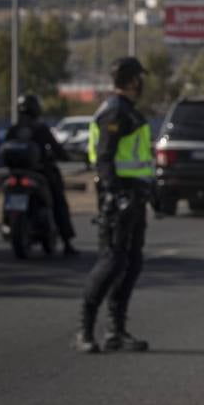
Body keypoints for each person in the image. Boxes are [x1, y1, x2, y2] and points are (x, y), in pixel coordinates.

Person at [77, 57, 153, 354]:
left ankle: (116, 330)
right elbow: (104, 158)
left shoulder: (128, 111)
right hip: (119, 198)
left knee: (131, 262)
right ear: (132, 80)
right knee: (111, 262)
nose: (142, 83)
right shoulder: (115, 112)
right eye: (139, 78)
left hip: (134, 195)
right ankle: (85, 330)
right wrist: (114, 195)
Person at [9, 93, 78, 257]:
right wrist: (64, 156)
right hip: (41, 173)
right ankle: (67, 241)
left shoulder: (14, 129)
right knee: (58, 201)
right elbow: (56, 149)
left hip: (17, 173)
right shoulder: (40, 128)